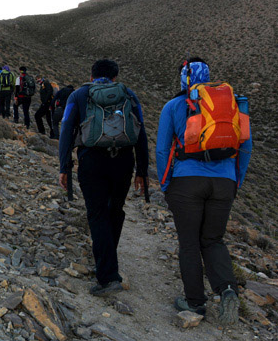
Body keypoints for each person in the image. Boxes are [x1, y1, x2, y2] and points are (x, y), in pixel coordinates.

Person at [156, 58, 252, 325]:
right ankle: (227, 289)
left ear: (183, 78)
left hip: (186, 182)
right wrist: (235, 182)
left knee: (189, 243)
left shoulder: (174, 106)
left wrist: (166, 184)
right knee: (213, 240)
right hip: (224, 183)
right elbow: (246, 148)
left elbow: (163, 150)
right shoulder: (233, 105)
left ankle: (195, 303)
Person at [58, 59, 149, 296]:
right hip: (124, 160)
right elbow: (141, 132)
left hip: (91, 161)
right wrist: (142, 170)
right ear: (115, 77)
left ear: (92, 76)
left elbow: (66, 129)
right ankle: (108, 260)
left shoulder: (78, 95)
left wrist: (64, 167)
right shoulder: (128, 94)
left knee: (97, 215)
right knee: (115, 210)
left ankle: (108, 276)